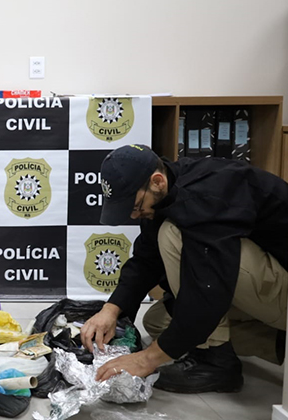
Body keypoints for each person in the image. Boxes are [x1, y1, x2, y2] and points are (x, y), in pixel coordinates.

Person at [80, 144, 287, 393]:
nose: (133, 216)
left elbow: (207, 291)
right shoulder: (167, 190)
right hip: (268, 289)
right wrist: (111, 310)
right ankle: (278, 343)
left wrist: (146, 360)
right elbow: (146, 260)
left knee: (173, 234)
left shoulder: (206, 196)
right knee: (159, 323)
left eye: (135, 207)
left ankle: (215, 363)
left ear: (157, 181)